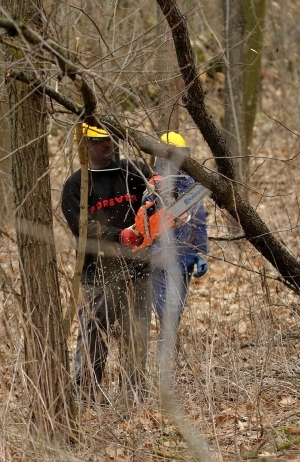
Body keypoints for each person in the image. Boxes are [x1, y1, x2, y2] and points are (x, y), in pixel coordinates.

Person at [61, 123, 152, 403]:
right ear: (85, 145)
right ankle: (85, 394)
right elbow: (81, 227)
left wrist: (161, 190)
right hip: (97, 272)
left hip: (139, 268)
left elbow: (158, 200)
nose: (107, 145)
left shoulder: (136, 172)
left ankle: (133, 395)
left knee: (136, 333)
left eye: (110, 139)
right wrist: (119, 235)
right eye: (99, 141)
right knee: (94, 336)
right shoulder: (77, 185)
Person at [149, 131, 208, 338]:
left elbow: (199, 219)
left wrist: (201, 252)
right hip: (156, 259)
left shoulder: (191, 186)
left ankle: (169, 350)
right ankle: (166, 351)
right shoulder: (151, 184)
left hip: (184, 259)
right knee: (165, 311)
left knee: (176, 310)